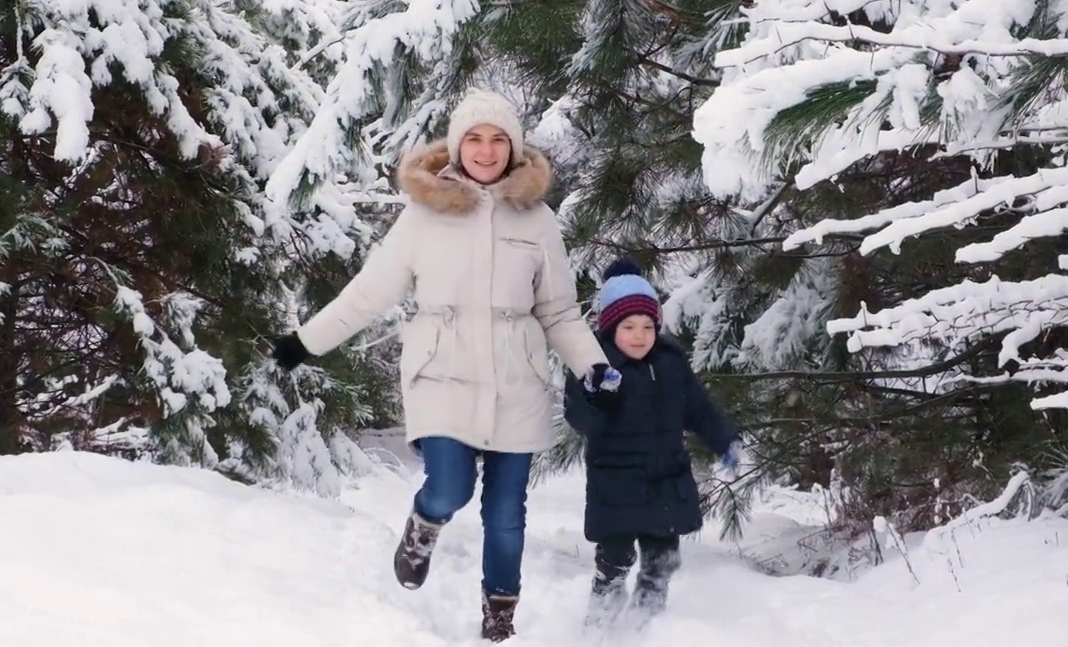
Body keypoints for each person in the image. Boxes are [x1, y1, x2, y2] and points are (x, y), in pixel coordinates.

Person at [270, 89, 620, 642]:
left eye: (498, 139)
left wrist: (593, 367)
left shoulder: (538, 220)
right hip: (442, 370)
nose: (486, 150)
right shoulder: (423, 215)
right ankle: (423, 523)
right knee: (450, 487)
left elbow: (558, 311)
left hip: (516, 377)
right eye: (475, 139)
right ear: (458, 147)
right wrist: (305, 343)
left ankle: (499, 619)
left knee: (506, 513)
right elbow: (369, 294)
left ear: (514, 148)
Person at [563, 257, 740, 629]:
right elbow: (580, 419)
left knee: (663, 559)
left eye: (647, 325)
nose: (640, 335)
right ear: (611, 328)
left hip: (666, 479)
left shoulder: (671, 362)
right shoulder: (595, 365)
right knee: (615, 559)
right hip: (616, 484)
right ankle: (599, 623)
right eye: (629, 326)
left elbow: (699, 409)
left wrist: (723, 440)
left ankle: (645, 625)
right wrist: (598, 396)